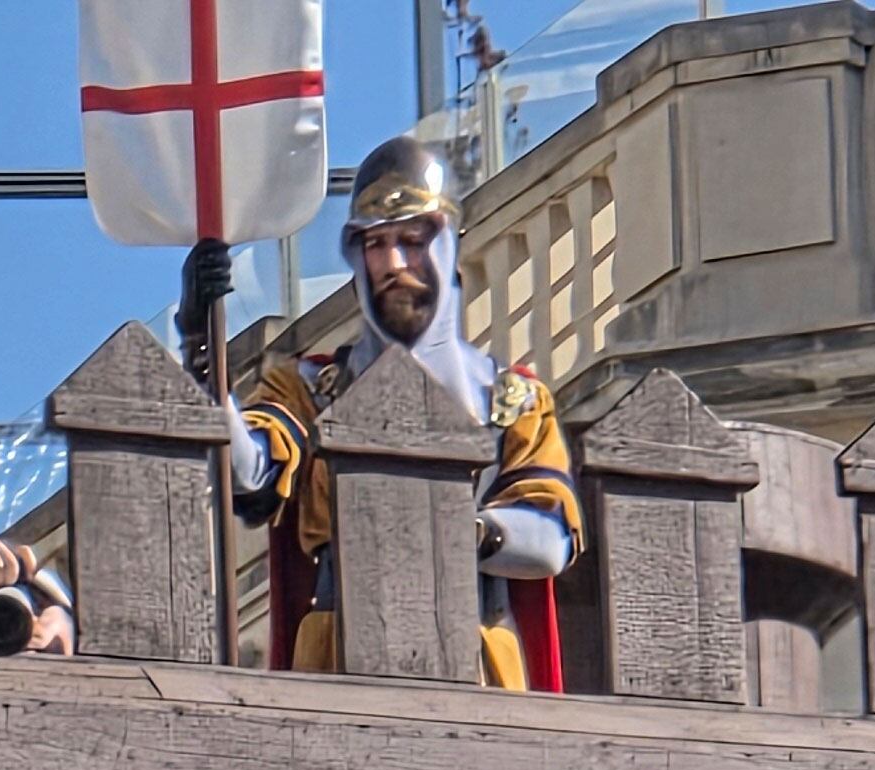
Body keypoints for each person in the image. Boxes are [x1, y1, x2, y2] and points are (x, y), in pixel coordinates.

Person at [184, 135, 582, 691]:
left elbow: (551, 537)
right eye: (376, 244)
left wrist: (460, 530)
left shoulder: (512, 400)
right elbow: (249, 474)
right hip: (339, 655)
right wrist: (205, 357)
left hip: (479, 656)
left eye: (412, 240)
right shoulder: (310, 389)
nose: (394, 263)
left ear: (446, 244)